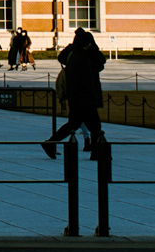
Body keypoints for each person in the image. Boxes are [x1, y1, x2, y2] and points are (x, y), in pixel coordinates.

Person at [43, 28, 109, 160]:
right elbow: (90, 78)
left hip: (76, 97)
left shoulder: (73, 55)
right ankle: (97, 153)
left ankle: (50, 143)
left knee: (73, 124)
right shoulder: (83, 57)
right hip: (85, 98)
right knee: (95, 127)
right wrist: (94, 97)